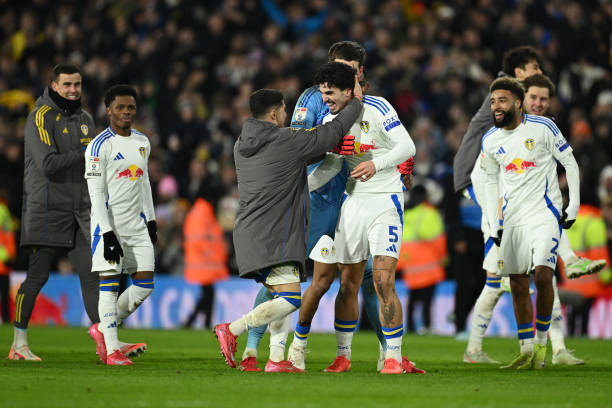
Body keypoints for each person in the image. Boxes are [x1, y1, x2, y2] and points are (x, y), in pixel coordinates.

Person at [239, 41, 414, 373]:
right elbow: (301, 148)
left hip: (357, 197)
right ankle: (264, 347)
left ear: (359, 72)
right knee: (301, 277)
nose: (329, 92)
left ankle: (390, 354)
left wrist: (399, 166)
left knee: (369, 281)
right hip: (323, 200)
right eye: (338, 65)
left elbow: (399, 144)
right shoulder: (314, 99)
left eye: (350, 66)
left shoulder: (374, 105)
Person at [214, 83, 363, 372]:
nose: (287, 114)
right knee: (291, 298)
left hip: (250, 230)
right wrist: (355, 102)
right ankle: (232, 329)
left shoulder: (242, 141)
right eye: (284, 109)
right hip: (276, 231)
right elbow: (331, 133)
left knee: (280, 293)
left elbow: (293, 159)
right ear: (273, 113)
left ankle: (276, 360)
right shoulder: (285, 140)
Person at [464, 73, 601, 365]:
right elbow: (488, 180)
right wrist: (493, 221)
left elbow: (570, 163)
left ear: (517, 102)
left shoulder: (544, 128)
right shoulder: (491, 140)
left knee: (542, 274)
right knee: (516, 282)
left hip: (544, 214)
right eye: (492, 102)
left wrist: (572, 206)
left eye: (502, 101)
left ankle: (543, 344)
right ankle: (527, 349)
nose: (496, 107)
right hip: (511, 219)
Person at [302, 61, 417, 374]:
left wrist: (376, 165)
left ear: (349, 90)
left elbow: (408, 146)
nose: (325, 100)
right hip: (352, 203)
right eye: (322, 93)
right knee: (348, 282)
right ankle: (343, 355)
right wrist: (312, 177)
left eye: (330, 93)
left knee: (382, 279)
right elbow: (330, 165)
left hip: (385, 202)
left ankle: (392, 357)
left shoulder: (379, 107)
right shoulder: (330, 119)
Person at [9, 63, 100, 361]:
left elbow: (92, 165)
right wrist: (85, 152)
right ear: (54, 86)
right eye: (67, 85)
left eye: (77, 85)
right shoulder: (40, 117)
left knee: (91, 273)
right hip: (47, 208)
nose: (73, 90)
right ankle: (18, 344)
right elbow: (47, 164)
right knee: (37, 276)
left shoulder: (86, 119)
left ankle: (107, 343)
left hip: (78, 211)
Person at [85, 85, 155, 366]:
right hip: (108, 227)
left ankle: (103, 329)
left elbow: (145, 181)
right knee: (110, 284)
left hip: (136, 226)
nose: (126, 112)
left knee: (146, 283)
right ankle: (112, 349)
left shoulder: (142, 141)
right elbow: (96, 193)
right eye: (120, 107)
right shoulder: (99, 145)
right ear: (108, 110)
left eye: (131, 108)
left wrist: (150, 219)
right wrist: (108, 232)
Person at [396, 185, 447, 333]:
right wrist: (443, 257)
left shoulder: (406, 214)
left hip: (410, 263)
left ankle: (411, 327)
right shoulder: (429, 212)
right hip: (428, 262)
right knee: (427, 299)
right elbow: (437, 238)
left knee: (413, 298)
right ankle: (427, 326)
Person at [182, 196, 229, 329]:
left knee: (208, 294)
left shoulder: (200, 213)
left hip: (203, 263)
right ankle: (193, 322)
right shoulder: (202, 215)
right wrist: (211, 254)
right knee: (208, 294)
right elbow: (201, 240)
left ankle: (199, 322)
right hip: (204, 263)